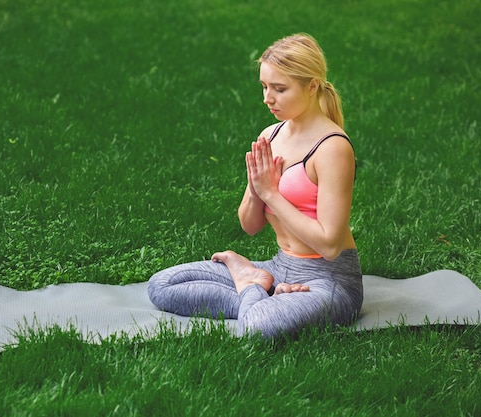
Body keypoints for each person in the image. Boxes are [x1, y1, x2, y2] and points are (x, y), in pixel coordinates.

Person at [148, 33, 363, 338]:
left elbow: (329, 245)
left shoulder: (332, 148)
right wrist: (256, 189)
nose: (267, 98)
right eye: (264, 87)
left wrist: (271, 194)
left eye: (279, 89)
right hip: (279, 267)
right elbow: (250, 226)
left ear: (312, 85)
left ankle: (251, 286)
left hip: (329, 282)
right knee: (162, 285)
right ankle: (260, 288)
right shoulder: (272, 135)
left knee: (259, 326)